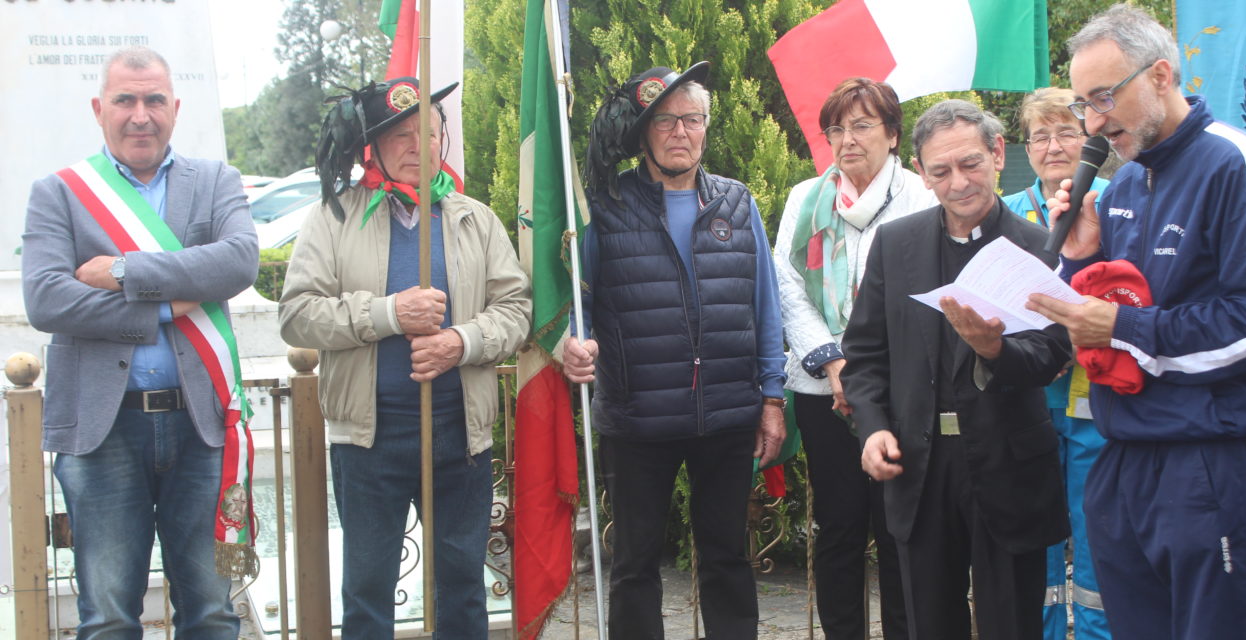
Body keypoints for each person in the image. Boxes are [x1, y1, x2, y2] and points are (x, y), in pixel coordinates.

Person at [1026, 5, 1246, 639]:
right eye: (1085, 103)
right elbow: (1124, 302)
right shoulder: (1126, 185)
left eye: (1105, 97)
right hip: (1123, 457)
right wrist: (1085, 255)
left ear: (1162, 75)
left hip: (1207, 459)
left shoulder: (1233, 161)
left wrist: (1119, 329)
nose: (1093, 122)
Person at [278, 78, 531, 638]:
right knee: (368, 588)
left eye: (430, 131)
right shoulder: (333, 217)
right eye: (401, 135)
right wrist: (390, 313)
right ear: (374, 145)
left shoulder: (475, 219)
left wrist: (459, 342)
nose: (419, 145)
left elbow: (515, 310)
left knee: (463, 585)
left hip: (459, 435)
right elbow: (297, 314)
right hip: (368, 439)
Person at [21, 46, 259, 638]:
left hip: (202, 426)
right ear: (100, 109)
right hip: (103, 431)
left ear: (175, 108)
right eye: (125, 100)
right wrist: (165, 307)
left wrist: (124, 272)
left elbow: (238, 261)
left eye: (154, 100)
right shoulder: (59, 192)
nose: (140, 115)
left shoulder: (214, 182)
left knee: (210, 610)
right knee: (107, 617)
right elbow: (48, 299)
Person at [562, 61, 787, 639]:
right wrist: (569, 340)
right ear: (643, 133)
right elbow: (574, 304)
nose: (680, 132)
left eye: (692, 119)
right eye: (665, 121)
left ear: (707, 128)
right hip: (637, 419)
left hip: (728, 415)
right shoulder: (603, 209)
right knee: (635, 564)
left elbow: (764, 308)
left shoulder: (736, 204)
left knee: (727, 557)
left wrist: (772, 397)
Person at [843, 99, 1072, 640]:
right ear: (921, 174)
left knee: (1011, 624)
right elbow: (866, 354)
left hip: (1007, 464)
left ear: (997, 153)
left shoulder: (1038, 247)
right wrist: (872, 426)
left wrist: (995, 349)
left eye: (970, 163)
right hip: (919, 466)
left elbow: (1052, 355)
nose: (959, 182)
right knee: (928, 624)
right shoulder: (895, 245)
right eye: (940, 171)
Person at [772, 76, 934, 640]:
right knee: (838, 527)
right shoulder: (805, 199)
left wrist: (865, 374)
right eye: (835, 128)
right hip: (822, 390)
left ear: (892, 134)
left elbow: (922, 295)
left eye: (862, 125)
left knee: (899, 530)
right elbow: (786, 286)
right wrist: (835, 364)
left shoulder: (920, 197)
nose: (847, 140)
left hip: (897, 394)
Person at [1002, 87, 1111, 640]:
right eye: (1040, 135)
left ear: (1088, 138)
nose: (1052, 146)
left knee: (1097, 534)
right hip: (1032, 400)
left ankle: (1097, 633)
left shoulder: (1118, 200)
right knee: (1039, 534)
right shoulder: (1011, 211)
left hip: (1098, 399)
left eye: (1066, 132)